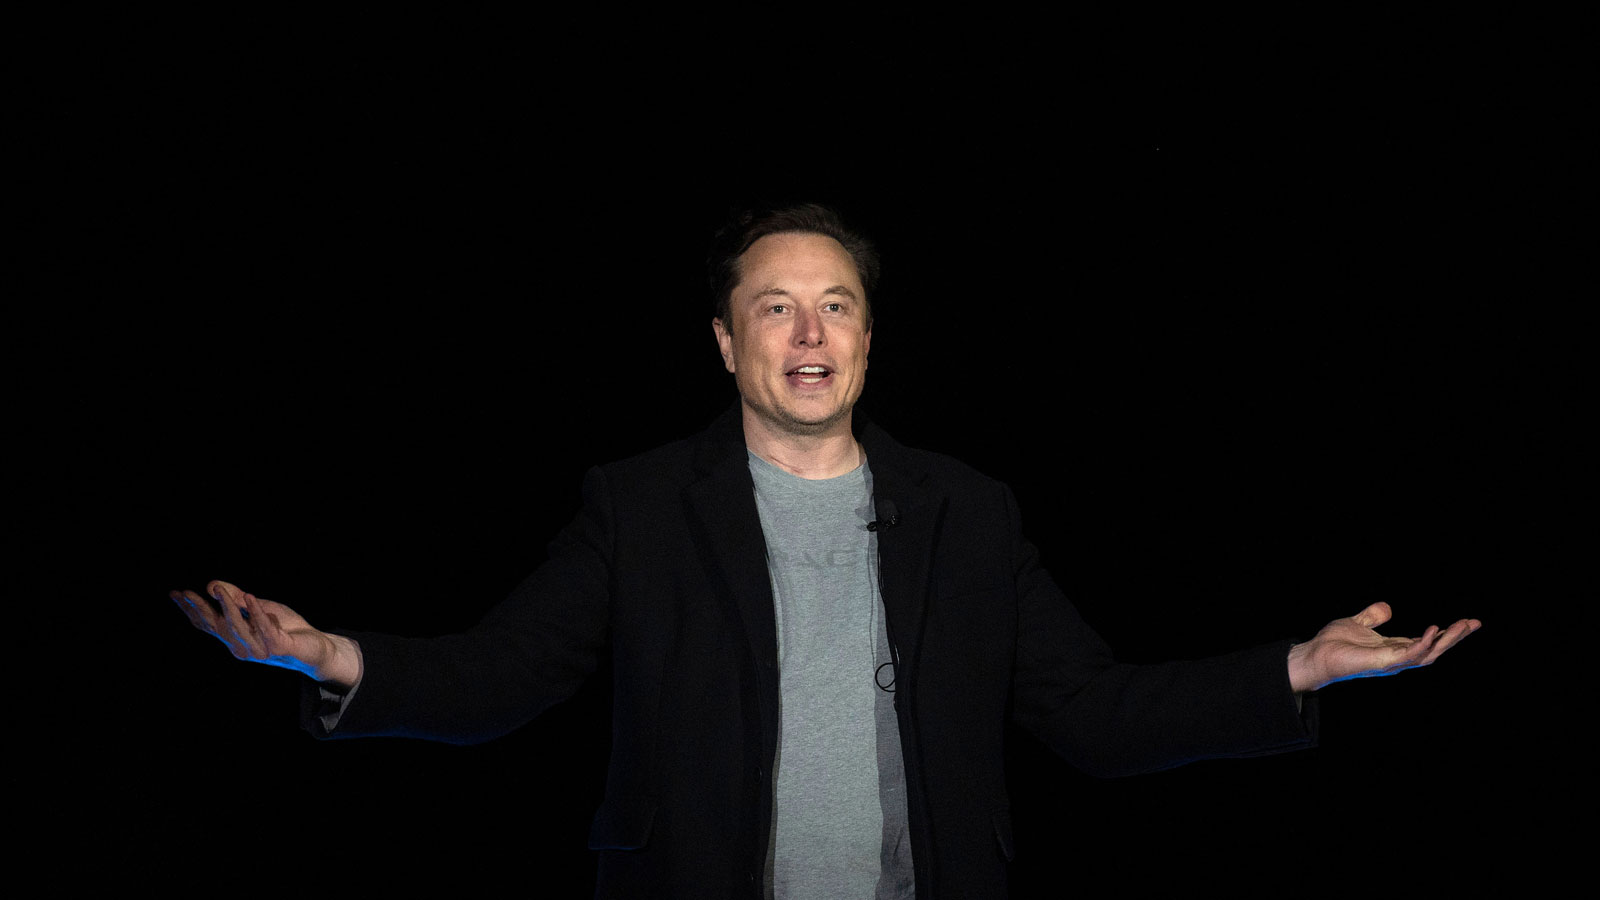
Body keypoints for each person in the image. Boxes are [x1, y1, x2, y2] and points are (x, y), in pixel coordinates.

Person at [172, 203, 1480, 900]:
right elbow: (505, 675)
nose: (809, 331)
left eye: (835, 304)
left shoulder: (971, 511)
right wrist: (333, 655)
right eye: (774, 307)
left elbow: (1092, 714)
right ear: (729, 345)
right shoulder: (639, 506)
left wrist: (1296, 669)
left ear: (866, 339)